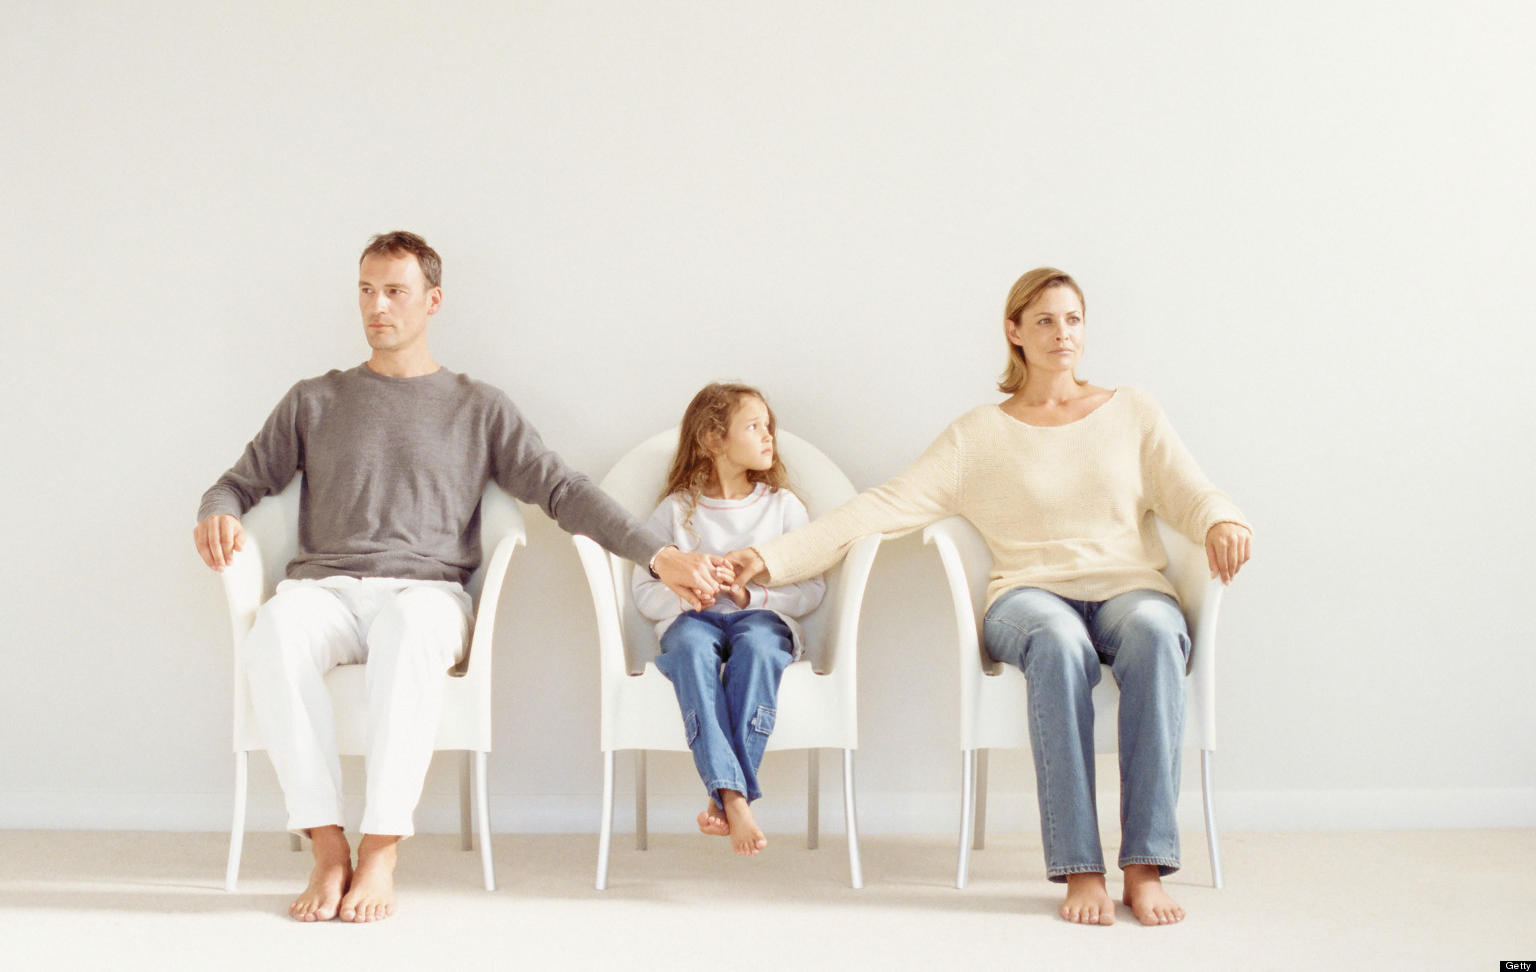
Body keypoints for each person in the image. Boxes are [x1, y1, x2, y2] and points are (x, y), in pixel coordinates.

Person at [194, 231, 727, 923]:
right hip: (322, 589)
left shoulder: (478, 407)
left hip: (427, 594)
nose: (376, 306)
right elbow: (236, 483)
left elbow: (563, 491)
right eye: (366, 290)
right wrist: (217, 513)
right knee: (272, 633)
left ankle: (381, 847)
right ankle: (329, 847)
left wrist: (658, 555)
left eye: (395, 291)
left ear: (432, 300)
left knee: (411, 632)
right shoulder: (313, 400)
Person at [728, 268, 1252, 927]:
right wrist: (769, 558)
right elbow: (881, 508)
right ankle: (1080, 869)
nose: (1063, 334)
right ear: (1015, 333)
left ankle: (1143, 868)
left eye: (1073, 320)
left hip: (1128, 589)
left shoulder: (1133, 414)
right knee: (1058, 644)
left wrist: (1224, 520)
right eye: (1045, 321)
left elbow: (1191, 491)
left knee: (1154, 629)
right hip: (1027, 601)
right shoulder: (978, 435)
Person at [631, 384, 824, 856]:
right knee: (693, 651)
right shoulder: (678, 510)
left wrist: (748, 592)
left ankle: (727, 796)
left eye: (768, 427)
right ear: (713, 439)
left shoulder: (783, 507)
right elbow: (643, 591)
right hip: (693, 621)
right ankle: (735, 799)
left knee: (758, 648)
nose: (768, 437)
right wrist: (690, 595)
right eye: (753, 426)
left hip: (760, 618)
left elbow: (811, 588)